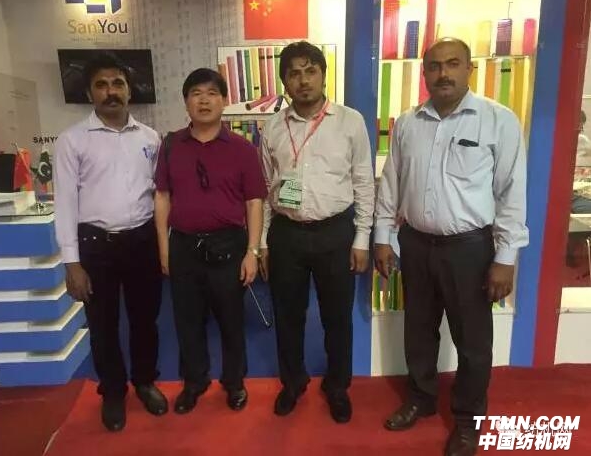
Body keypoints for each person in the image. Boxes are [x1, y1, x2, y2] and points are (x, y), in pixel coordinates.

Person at [374, 38, 528, 456]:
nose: (443, 73)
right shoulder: (408, 123)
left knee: (472, 342)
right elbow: (391, 183)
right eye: (435, 66)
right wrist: (383, 237)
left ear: (469, 69)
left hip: (470, 249)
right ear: (424, 73)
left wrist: (505, 258)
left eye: (453, 64)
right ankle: (421, 398)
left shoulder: (498, 121)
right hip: (415, 244)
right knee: (418, 331)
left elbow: (512, 194)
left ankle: (467, 421)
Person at [259, 41, 375, 423]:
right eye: (294, 73)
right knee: (287, 315)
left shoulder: (350, 121)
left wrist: (361, 238)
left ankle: (337, 386)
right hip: (286, 234)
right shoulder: (272, 126)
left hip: (335, 232)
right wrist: (263, 243)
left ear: (324, 75)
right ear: (284, 81)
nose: (303, 80)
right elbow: (266, 187)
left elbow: (363, 181)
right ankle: (293, 382)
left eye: (310, 70)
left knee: (336, 317)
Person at [53, 52, 167, 432]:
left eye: (117, 83)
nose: (110, 91)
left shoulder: (150, 138)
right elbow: (65, 203)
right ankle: (114, 392)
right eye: (101, 85)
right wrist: (72, 263)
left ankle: (145, 381)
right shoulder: (72, 141)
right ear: (90, 93)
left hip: (142, 242)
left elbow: (159, 195)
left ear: (129, 90)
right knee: (102, 324)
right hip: (96, 246)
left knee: (145, 320)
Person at [154, 68, 267, 414]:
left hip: (229, 247)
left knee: (231, 321)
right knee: (187, 322)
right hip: (184, 246)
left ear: (224, 101)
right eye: (196, 93)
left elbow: (254, 202)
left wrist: (252, 251)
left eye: (212, 93)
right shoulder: (171, 145)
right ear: (186, 102)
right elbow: (162, 197)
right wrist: (164, 248)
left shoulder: (243, 149)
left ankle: (234, 382)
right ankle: (194, 382)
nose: (204, 100)